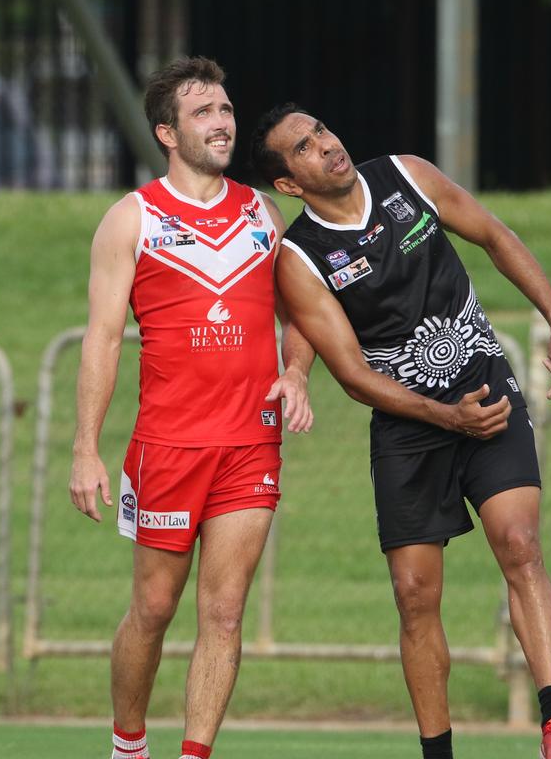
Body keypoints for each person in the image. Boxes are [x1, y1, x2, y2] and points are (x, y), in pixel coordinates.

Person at [251, 104, 551, 759]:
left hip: (485, 389)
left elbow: (492, 235)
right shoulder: (299, 257)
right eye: (303, 147)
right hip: (409, 425)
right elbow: (349, 372)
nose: (326, 144)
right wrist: (441, 416)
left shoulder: (407, 176)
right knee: (414, 594)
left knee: (519, 542)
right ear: (288, 184)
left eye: (321, 130)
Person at [69, 60, 314, 759]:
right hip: (167, 447)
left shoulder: (265, 215)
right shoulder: (131, 219)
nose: (223, 121)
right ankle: (128, 745)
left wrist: (295, 371)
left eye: (227, 108)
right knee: (152, 609)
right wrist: (85, 447)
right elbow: (104, 339)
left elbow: (306, 315)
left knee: (224, 613)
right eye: (204, 111)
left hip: (250, 445)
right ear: (167, 132)